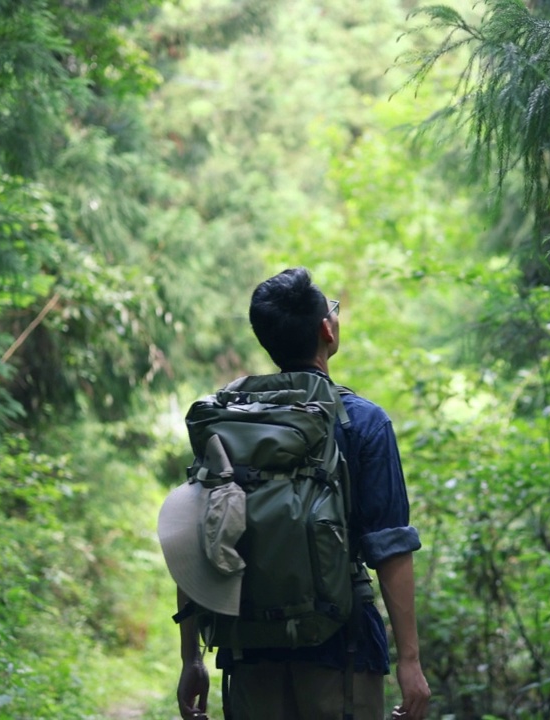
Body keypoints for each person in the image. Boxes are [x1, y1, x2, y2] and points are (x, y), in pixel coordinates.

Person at [177, 267, 431, 720]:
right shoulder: (362, 422)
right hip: (344, 649)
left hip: (248, 649)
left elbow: (196, 539)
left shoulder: (230, 425)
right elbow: (390, 548)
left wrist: (191, 659)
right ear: (326, 330)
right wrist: (410, 663)